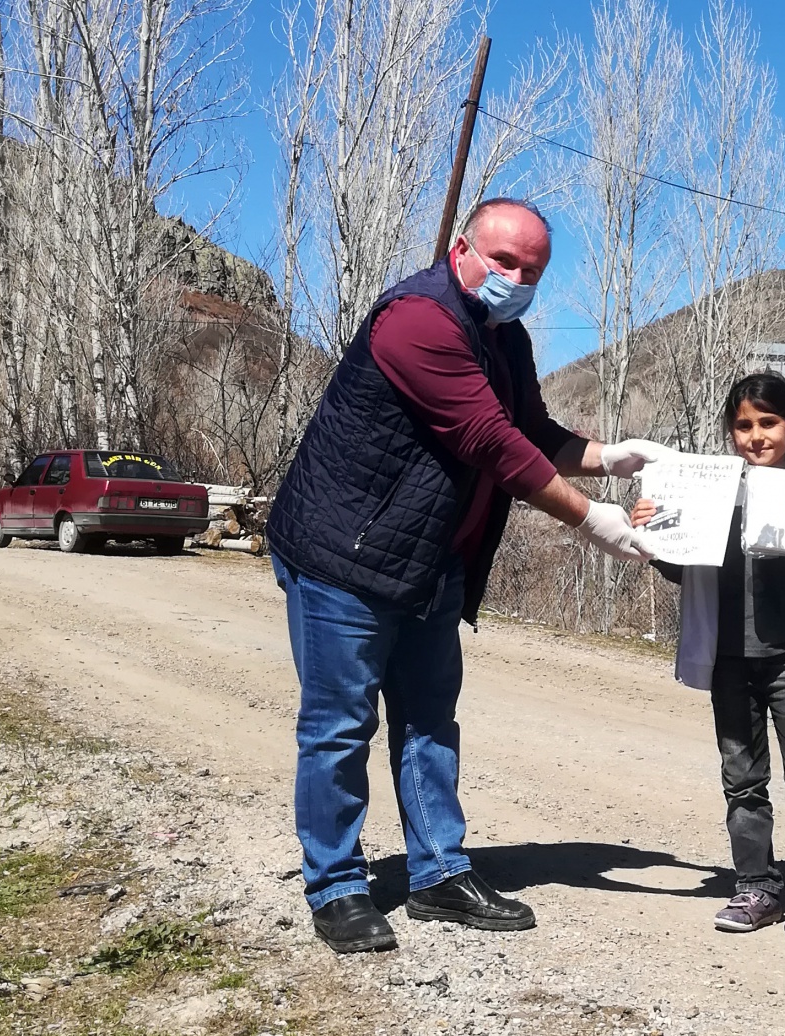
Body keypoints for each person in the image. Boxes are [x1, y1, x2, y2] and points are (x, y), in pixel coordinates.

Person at [266, 197, 669, 954]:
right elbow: (490, 442)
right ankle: (337, 886)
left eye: (533, 269)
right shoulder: (414, 321)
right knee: (338, 727)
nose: (516, 277)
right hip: (342, 556)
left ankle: (438, 873)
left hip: (428, 561)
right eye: (505, 260)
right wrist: (591, 517)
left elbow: (529, 430)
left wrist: (608, 455)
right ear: (463, 249)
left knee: (428, 721)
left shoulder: (502, 336)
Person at [630, 373, 785, 944]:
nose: (757, 436)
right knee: (741, 779)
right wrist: (653, 536)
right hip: (728, 658)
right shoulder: (712, 496)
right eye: (744, 425)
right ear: (732, 433)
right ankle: (757, 885)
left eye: (769, 423)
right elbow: (683, 570)